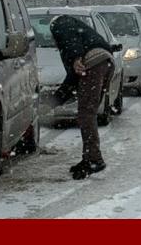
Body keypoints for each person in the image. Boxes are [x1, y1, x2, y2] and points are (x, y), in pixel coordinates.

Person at [49, 15, 115, 180]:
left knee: (86, 114)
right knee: (88, 113)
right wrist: (54, 102)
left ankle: (94, 160)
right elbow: (71, 80)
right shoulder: (78, 38)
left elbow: (68, 33)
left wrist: (76, 57)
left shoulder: (60, 23)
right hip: (105, 62)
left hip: (94, 63)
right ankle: (89, 158)